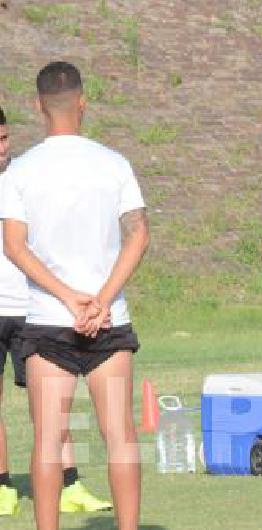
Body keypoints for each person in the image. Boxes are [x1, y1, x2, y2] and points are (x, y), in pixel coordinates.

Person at [0, 61, 149, 530]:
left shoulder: (19, 171)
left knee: (47, 440)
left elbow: (14, 246)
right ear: (83, 101)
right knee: (120, 436)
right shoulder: (114, 163)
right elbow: (138, 234)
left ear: (37, 106)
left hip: (47, 320)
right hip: (109, 319)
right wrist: (101, 300)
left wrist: (68, 298)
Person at [0, 105, 113, 517]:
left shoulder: (27, 175)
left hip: (32, 310)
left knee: (49, 407)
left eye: (5, 139)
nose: (2, 148)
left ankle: (70, 482)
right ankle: (4, 486)